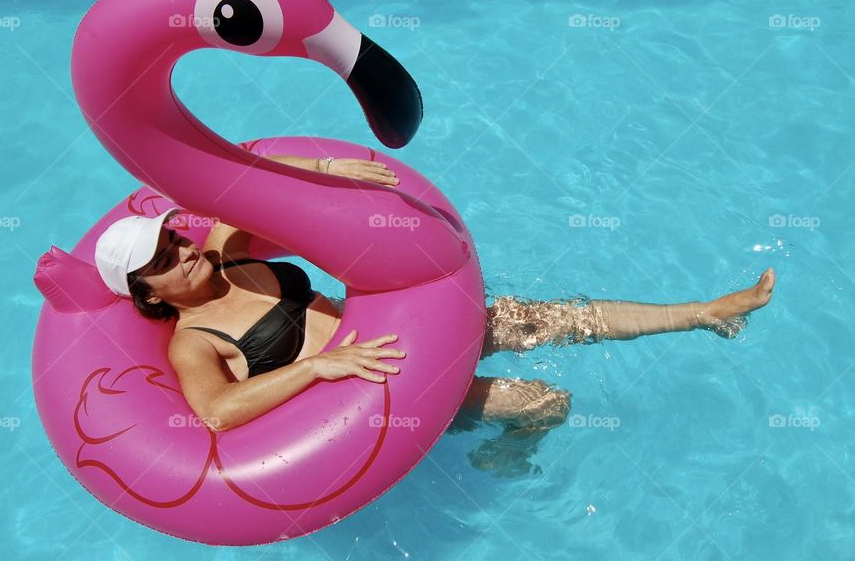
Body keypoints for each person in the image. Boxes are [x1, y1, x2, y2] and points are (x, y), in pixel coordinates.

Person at [94, 154, 776, 477]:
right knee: (545, 403)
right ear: (148, 293)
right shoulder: (194, 342)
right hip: (381, 384)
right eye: (163, 258)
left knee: (552, 319)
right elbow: (215, 412)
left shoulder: (225, 254)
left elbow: (252, 184)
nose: (180, 251)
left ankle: (703, 312)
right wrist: (319, 367)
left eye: (174, 238)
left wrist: (331, 170)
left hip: (406, 332)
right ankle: (503, 457)